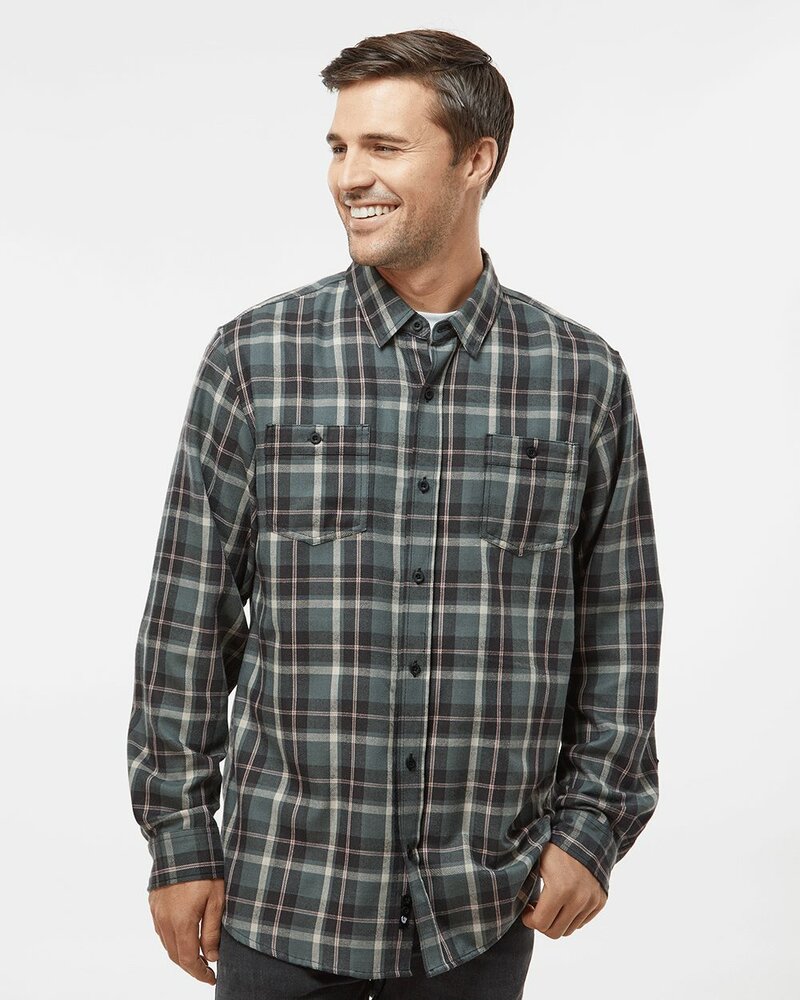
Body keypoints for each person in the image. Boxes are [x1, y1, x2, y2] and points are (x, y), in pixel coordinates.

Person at [127, 27, 664, 1000]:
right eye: (338, 147)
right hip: (282, 895)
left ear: (474, 160)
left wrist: (591, 828)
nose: (349, 177)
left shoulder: (580, 378)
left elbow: (619, 627)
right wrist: (179, 839)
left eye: (383, 147)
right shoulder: (255, 359)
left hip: (480, 906)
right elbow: (188, 621)